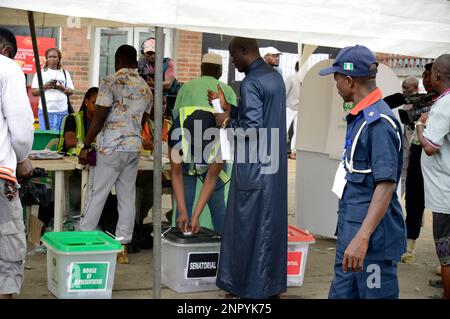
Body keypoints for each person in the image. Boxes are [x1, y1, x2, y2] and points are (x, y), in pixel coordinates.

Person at [319, 45, 406, 299]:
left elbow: (386, 185)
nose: (335, 86)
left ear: (349, 81)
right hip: (352, 234)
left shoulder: (378, 123)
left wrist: (362, 239)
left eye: (336, 79)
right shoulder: (360, 118)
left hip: (372, 243)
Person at [211, 37, 288, 299]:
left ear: (245, 51)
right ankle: (269, 285)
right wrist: (229, 108)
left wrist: (224, 121)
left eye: (233, 56)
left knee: (245, 228)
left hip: (254, 166)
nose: (233, 61)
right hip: (273, 167)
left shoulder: (251, 81)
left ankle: (248, 288)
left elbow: (250, 129)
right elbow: (261, 117)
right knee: (269, 227)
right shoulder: (274, 77)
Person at [79, 45, 152, 264]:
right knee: (126, 196)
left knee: (96, 192)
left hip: (110, 147)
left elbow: (100, 115)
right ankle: (122, 246)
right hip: (132, 147)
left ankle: (85, 241)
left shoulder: (109, 82)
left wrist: (86, 143)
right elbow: (144, 120)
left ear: (118, 60)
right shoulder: (146, 88)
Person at [168, 53, 237, 235]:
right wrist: (183, 212)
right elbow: (175, 173)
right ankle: (189, 237)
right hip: (188, 149)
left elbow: (212, 177)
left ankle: (220, 245)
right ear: (220, 71)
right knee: (215, 204)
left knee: (202, 198)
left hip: (209, 149)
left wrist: (194, 215)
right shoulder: (178, 135)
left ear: (201, 68)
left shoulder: (186, 88)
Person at [0, 27, 34, 299]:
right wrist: (22, 159)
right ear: (7, 51)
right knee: (8, 247)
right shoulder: (7, 68)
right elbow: (21, 129)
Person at [416, 54, 450, 299]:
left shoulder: (444, 105)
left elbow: (430, 147)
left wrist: (420, 125)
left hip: (445, 195)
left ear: (437, 75)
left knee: (446, 255)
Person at [401, 65, 434, 264]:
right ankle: (409, 247)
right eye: (425, 77)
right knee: (413, 199)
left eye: (431, 76)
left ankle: (444, 260)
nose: (428, 80)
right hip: (417, 150)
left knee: (443, 209)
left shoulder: (444, 101)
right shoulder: (421, 100)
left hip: (438, 154)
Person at [31, 48, 75, 131]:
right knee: (47, 138)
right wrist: (45, 86)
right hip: (45, 112)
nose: (52, 59)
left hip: (62, 111)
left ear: (59, 59)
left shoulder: (65, 73)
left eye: (54, 57)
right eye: (50, 57)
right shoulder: (40, 73)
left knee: (60, 138)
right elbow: (33, 92)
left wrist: (61, 88)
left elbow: (71, 91)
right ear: (46, 58)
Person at [138, 38, 180, 114]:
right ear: (144, 53)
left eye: (154, 52)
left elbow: (168, 84)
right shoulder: (142, 66)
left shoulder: (168, 63)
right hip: (149, 106)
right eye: (149, 53)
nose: (151, 55)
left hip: (168, 107)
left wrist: (151, 83)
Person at [400, 76, 420, 197]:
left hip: (417, 148)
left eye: (406, 88)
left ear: (415, 87)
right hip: (405, 147)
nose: (403, 90)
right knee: (403, 173)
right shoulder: (404, 103)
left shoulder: (423, 102)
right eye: (402, 87)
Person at [285, 61, 301, 160]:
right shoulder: (290, 78)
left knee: (298, 131)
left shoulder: (307, 79)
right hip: (289, 108)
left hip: (301, 109)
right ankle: (279, 150)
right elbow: (284, 92)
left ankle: (294, 152)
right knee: (284, 129)